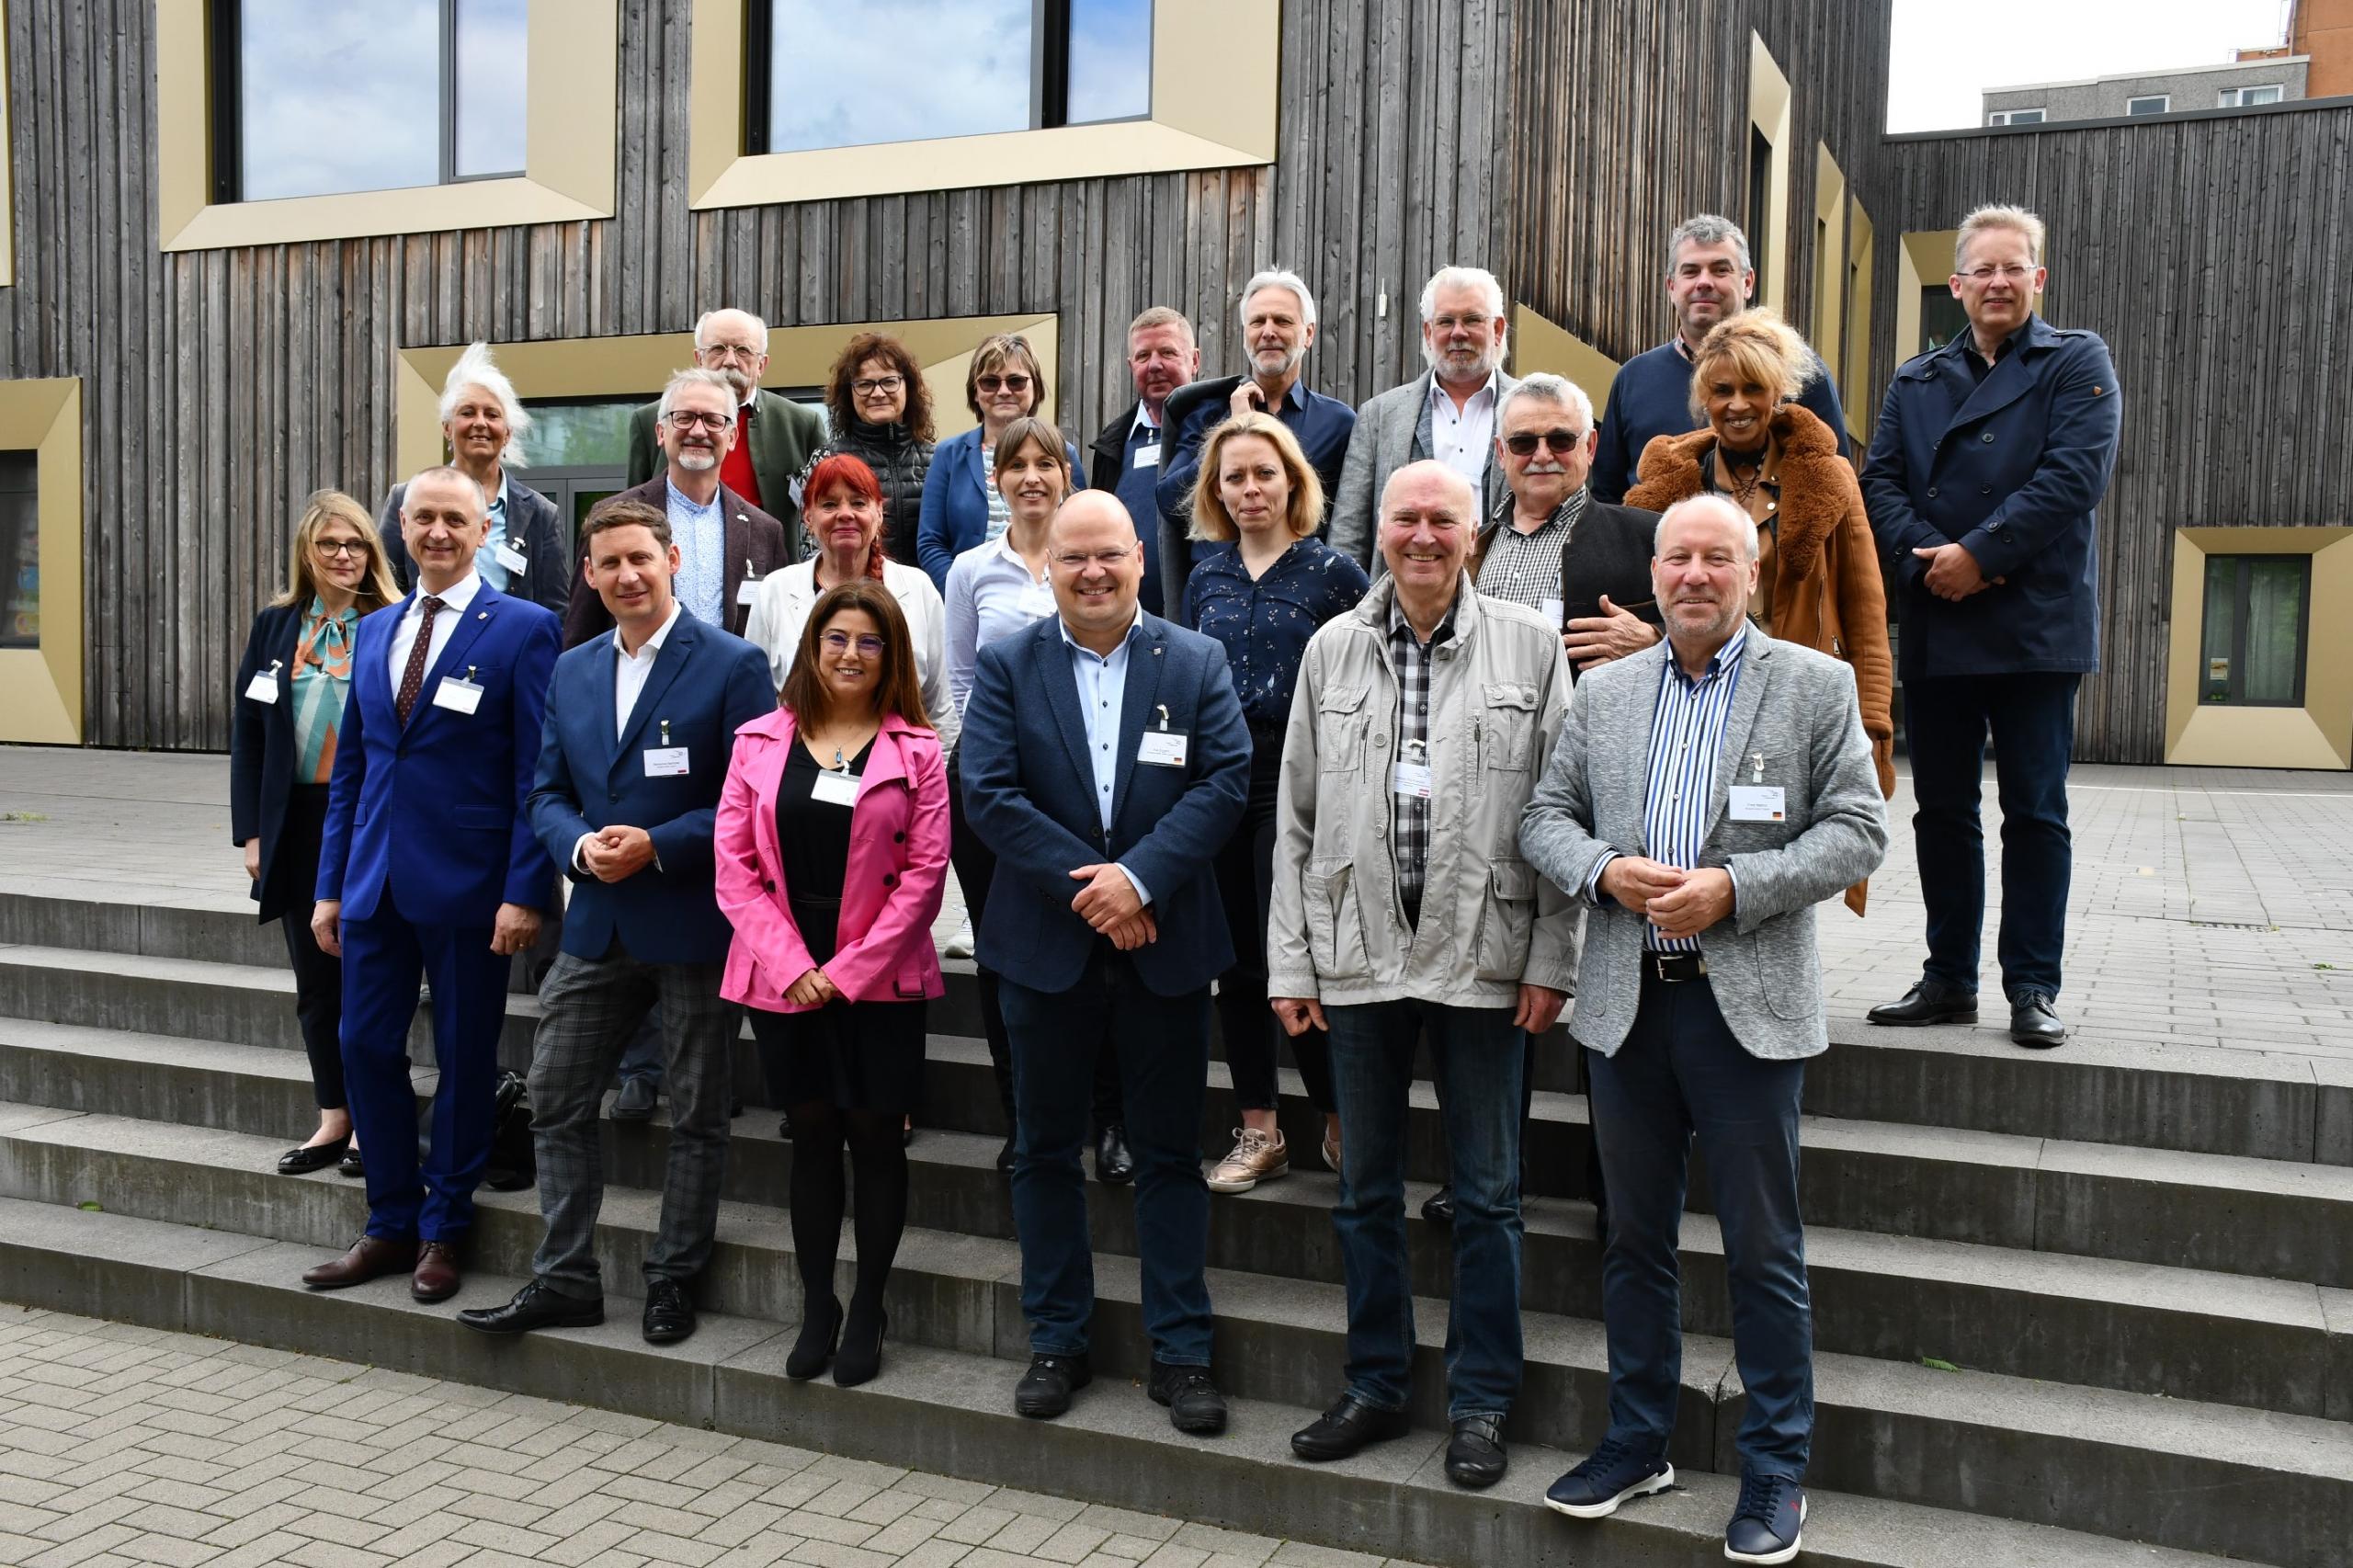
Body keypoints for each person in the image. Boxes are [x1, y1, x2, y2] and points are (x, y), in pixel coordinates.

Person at [1518, 494, 1888, 1565]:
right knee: (1633, 1241)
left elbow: (1859, 829)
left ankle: (1776, 1464)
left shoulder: (1812, 684)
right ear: (1658, 571)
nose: (1691, 575)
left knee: (1763, 1249)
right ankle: (1638, 1441)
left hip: (1747, 1011)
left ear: (1750, 570)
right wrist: (1600, 870)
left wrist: (1737, 887)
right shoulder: (1607, 691)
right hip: (1625, 1007)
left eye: (1714, 558)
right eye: (1677, 556)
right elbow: (1546, 816)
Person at [1267, 460, 1576, 1493]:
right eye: (1405, 516)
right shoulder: (1332, 648)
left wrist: (1550, 956)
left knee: (1487, 1195)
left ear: (1472, 535)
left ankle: (1482, 1400)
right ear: (1381, 532)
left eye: (1443, 517)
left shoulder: (1531, 649)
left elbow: (1561, 811)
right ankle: (1377, 1380)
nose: (1424, 534)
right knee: (1363, 1190)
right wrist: (1291, 960)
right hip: (1356, 956)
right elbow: (1296, 820)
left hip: (1484, 955)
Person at [960, 490, 1251, 1435]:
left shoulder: (1196, 657)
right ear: (1046, 562)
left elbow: (1224, 780)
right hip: (1043, 950)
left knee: (1168, 1152)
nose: (1092, 572)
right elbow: (990, 793)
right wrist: (1096, 891)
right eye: (1073, 556)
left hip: (1164, 944)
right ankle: (1057, 1337)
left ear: (1138, 558)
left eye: (1109, 556)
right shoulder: (1008, 664)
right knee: (1044, 1150)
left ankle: (1182, 1349)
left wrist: (1140, 881)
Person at [455, 497, 774, 1345]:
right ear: (589, 575)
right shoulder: (575, 667)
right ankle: (565, 1279)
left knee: (698, 1114)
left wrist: (659, 844)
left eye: (642, 558)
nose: (627, 576)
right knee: (556, 1097)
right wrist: (577, 846)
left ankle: (674, 1277)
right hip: (596, 923)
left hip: (696, 926)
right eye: (610, 565)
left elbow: (752, 803)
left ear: (671, 558)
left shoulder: (735, 664)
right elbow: (546, 792)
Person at [1862, 205, 2120, 1050]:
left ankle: (2032, 986)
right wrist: (1928, 559)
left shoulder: (2077, 361)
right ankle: (1947, 980)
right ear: (1958, 283)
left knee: (2036, 811)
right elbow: (1881, 483)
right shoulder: (1916, 380)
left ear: (2037, 279)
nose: (2000, 282)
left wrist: (1980, 551)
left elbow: (2071, 478)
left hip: (2034, 624)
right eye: (1985, 270)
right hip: (1940, 617)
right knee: (1942, 810)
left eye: (2017, 269)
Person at [301, 466, 562, 1304]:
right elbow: (355, 774)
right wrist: (330, 886)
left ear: (486, 530)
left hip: (473, 890)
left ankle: (445, 1228)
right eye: (423, 519)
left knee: (463, 1060)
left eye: (456, 518)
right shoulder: (375, 630)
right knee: (363, 1047)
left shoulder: (524, 628)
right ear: (400, 530)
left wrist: (526, 889)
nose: (439, 532)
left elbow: (536, 773)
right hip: (374, 884)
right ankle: (389, 1220)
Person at [714, 581, 950, 1388]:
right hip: (784, 973)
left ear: (893, 657)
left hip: (877, 979)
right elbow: (734, 872)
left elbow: (924, 878)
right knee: (812, 1139)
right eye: (837, 639)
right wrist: (794, 969)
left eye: (870, 642)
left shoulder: (916, 750)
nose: (851, 654)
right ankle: (819, 1305)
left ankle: (871, 1302)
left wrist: (845, 974)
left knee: (878, 1140)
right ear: (812, 647)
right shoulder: (757, 742)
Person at [1628, 307, 1894, 910]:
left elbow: (1864, 609)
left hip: (1787, 694)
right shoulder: (1668, 481)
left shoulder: (1827, 478)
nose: (1739, 404)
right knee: (1694, 842)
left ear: (1779, 393)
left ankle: (1772, 987)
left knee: (1781, 852)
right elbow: (1644, 594)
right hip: (1689, 693)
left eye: (1755, 388)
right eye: (1723, 390)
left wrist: (1874, 723)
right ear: (1703, 396)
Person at [1177, 413, 1367, 1195]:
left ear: (1293, 479)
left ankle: (1337, 1118)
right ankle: (1259, 1128)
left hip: (1300, 786)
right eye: (1233, 477)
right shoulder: (1205, 574)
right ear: (1215, 491)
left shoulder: (1334, 575)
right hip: (1218, 779)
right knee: (1236, 962)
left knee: (1299, 954)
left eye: (1263, 473)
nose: (1249, 489)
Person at [943, 420, 1130, 1178]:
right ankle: (1021, 1118)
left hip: (1084, 790)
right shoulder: (969, 570)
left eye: (1043, 464)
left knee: (1100, 953)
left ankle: (1109, 1119)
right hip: (991, 792)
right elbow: (959, 681)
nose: (1029, 477)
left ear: (1066, 474)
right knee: (1002, 958)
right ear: (997, 480)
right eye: (1013, 464)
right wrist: (987, 760)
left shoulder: (1090, 558)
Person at [230, 490, 402, 1180]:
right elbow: (247, 733)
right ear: (307, 551)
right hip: (295, 823)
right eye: (330, 544)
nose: (343, 556)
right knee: (313, 981)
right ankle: (335, 1114)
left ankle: (374, 1116)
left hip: (366, 814)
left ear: (372, 552)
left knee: (371, 975)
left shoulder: (392, 622)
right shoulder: (277, 626)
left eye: (356, 544)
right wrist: (251, 834)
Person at [1591, 215, 1849, 506]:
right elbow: (1606, 496)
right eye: (1691, 271)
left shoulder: (1800, 372)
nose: (1704, 282)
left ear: (1748, 282)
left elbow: (1836, 485)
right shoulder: (1633, 378)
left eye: (1720, 270)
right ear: (1671, 286)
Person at [1156, 269, 1357, 616]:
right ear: (1246, 334)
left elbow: (1347, 522)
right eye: (1257, 322)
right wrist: (1231, 432)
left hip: (1301, 604)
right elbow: (1170, 502)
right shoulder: (1205, 413)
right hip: (1217, 598)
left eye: (1282, 321)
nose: (1268, 332)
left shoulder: (1338, 424)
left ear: (1308, 334)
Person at [568, 367, 795, 651]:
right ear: (661, 432)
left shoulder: (765, 530)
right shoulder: (609, 518)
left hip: (730, 690)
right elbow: (581, 632)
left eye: (714, 420)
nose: (698, 431)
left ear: (733, 437)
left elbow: (777, 632)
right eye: (684, 418)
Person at [746, 452, 955, 750]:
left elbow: (943, 705)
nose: (845, 514)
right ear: (808, 517)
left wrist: (938, 777)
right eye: (829, 504)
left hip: (901, 773)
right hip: (798, 769)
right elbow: (758, 699)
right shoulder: (775, 591)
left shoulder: (918, 589)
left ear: (879, 513)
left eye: (858, 503)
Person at [1329, 267, 1521, 568]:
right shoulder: (1379, 416)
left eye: (1472, 319)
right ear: (1429, 333)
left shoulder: (1531, 410)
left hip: (1502, 597)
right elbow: (1348, 532)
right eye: (1446, 321)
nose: (1458, 333)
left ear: (1497, 329)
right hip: (1401, 600)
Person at [377, 343, 571, 613]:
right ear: (447, 427)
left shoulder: (540, 513)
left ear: (507, 433)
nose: (480, 422)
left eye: (492, 414)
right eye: (467, 412)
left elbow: (556, 609)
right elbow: (381, 587)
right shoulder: (405, 498)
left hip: (507, 650)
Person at [916, 334, 1089, 590]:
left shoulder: (1064, 454)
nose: (1004, 391)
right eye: (990, 382)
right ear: (975, 392)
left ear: (1036, 388)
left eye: (1016, 381)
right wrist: (964, 592)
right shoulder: (949, 455)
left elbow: (1080, 531)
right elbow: (931, 542)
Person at [625, 307, 829, 517]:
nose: (730, 360)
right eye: (718, 349)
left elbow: (826, 506)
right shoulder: (651, 419)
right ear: (699, 359)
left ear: (762, 364)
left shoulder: (800, 424)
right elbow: (634, 509)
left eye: (743, 350)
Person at [1087, 306, 1200, 616]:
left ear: (1195, 360)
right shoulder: (1112, 444)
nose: (1154, 365)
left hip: (1199, 622)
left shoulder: (1220, 435)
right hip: (1124, 623)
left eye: (1167, 352)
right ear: (1130, 365)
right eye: (1142, 356)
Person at [815, 332, 936, 571]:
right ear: (848, 394)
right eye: (864, 384)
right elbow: (811, 544)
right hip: (854, 598)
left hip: (923, 596)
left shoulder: (938, 460)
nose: (878, 393)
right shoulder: (827, 459)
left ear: (907, 387)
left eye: (889, 381)